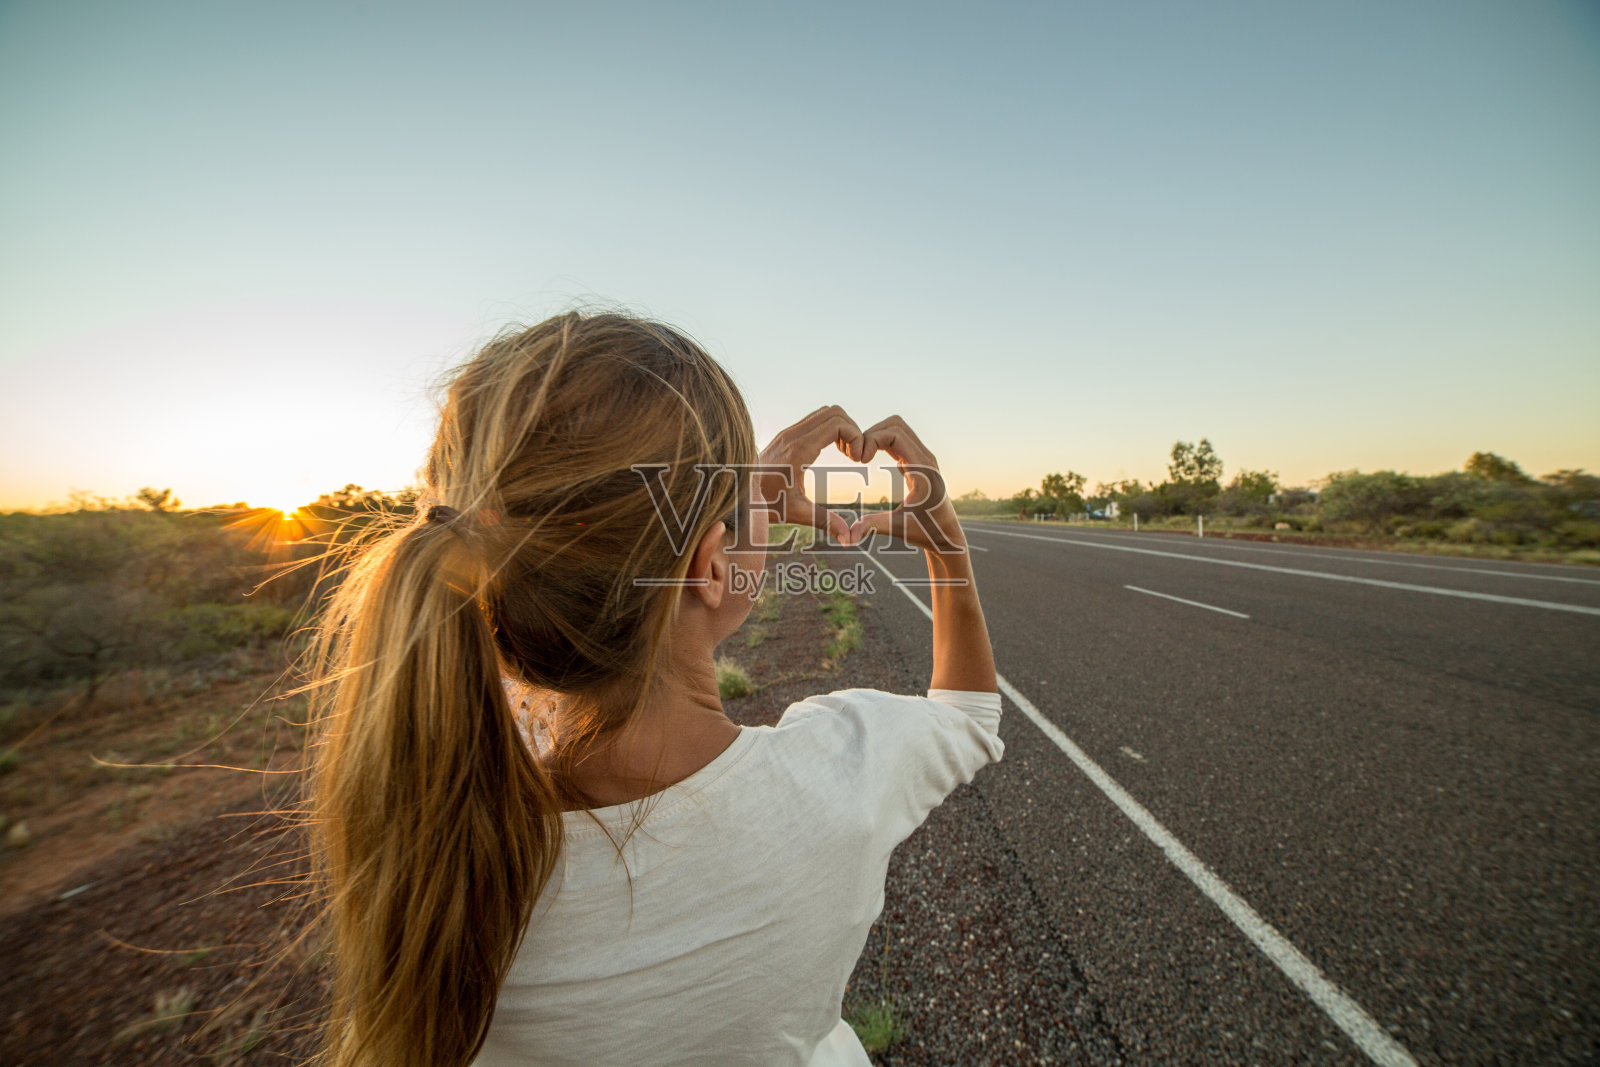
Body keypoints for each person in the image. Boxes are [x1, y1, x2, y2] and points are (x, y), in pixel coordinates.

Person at [308, 312, 1001, 1067]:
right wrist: (947, 547)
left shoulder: (441, 841)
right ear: (710, 563)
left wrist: (730, 504)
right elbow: (967, 717)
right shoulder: (841, 778)